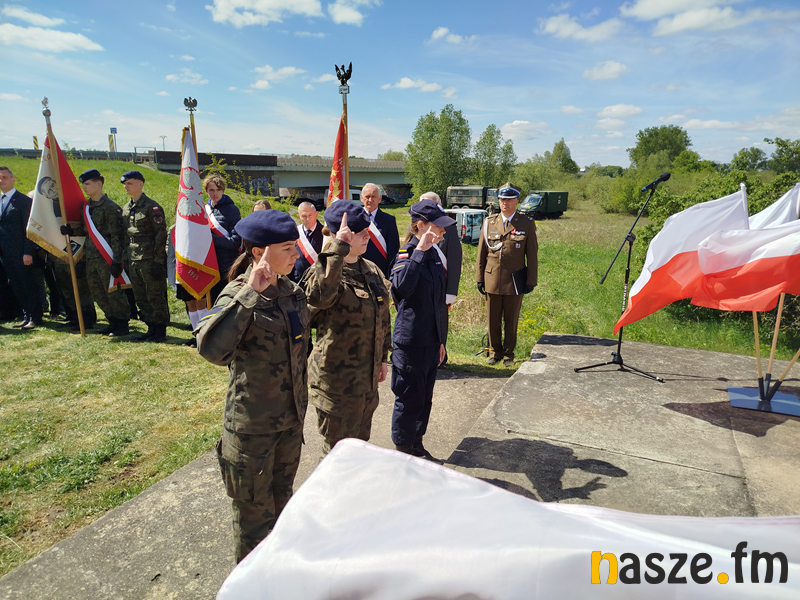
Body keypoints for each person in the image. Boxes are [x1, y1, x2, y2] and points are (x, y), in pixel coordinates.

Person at [196, 209, 309, 564]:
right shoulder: (235, 294)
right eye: (288, 248)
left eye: (295, 247)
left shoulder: (291, 292)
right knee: (254, 522)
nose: (296, 254)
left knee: (283, 507)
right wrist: (249, 294)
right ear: (259, 252)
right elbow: (212, 351)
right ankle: (253, 582)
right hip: (253, 431)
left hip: (290, 424)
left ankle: (279, 572)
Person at [301, 202, 391, 457]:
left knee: (359, 451)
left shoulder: (370, 270)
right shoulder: (324, 272)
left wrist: (382, 358)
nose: (367, 236)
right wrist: (337, 250)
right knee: (336, 455)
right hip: (336, 386)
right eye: (360, 232)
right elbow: (318, 298)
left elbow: (383, 318)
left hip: (366, 383)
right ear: (341, 235)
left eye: (367, 231)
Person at [390, 199, 455, 459]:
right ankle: (403, 449)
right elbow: (401, 288)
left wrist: (440, 341)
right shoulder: (407, 254)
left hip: (430, 340)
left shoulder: (435, 256)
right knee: (409, 398)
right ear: (420, 226)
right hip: (411, 342)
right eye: (438, 226)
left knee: (425, 398)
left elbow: (437, 304)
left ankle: (417, 445)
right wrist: (419, 252)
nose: (443, 231)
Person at [476, 182, 538, 367]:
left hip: (514, 280)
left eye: (509, 199)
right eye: (502, 199)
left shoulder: (526, 223)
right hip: (492, 278)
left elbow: (532, 255)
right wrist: (479, 278)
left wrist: (531, 280)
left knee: (511, 320)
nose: (505, 203)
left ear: (517, 201)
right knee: (492, 319)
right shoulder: (489, 222)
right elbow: (481, 253)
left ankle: (508, 354)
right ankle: (495, 352)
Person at [61, 169, 129, 336]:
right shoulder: (86, 207)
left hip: (107, 257)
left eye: (87, 184)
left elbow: (117, 236)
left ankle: (122, 323)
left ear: (98, 184)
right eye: (83, 184)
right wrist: (71, 231)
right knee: (98, 292)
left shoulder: (111, 208)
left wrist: (117, 261)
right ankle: (112, 321)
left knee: (113, 292)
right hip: (91, 257)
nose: (84, 187)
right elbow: (87, 232)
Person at [121, 170, 169, 342]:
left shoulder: (152, 207)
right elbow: (126, 235)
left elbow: (160, 235)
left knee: (155, 295)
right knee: (140, 295)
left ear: (140, 184)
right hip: (133, 258)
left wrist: (158, 260)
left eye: (129, 183)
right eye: (125, 184)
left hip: (149, 259)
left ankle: (160, 329)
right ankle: (151, 327)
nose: (126, 187)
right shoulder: (126, 208)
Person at [420, 191, 462, 364]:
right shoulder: (416, 227)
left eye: (432, 204)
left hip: (441, 286)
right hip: (422, 286)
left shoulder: (449, 228)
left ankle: (440, 358)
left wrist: (451, 292)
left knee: (440, 322)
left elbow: (454, 260)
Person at [0, 166, 42, 329]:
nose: (1, 180)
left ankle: (35, 317)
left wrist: (28, 252)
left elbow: (29, 230)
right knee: (16, 285)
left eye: (4, 177)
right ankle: (26, 315)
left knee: (28, 285)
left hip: (21, 253)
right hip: (5, 253)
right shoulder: (0, 200)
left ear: (13, 179)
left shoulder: (24, 201)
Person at [203, 174, 242, 305]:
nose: (215, 193)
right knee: (211, 303)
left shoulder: (232, 210)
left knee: (226, 302)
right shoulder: (204, 210)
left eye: (218, 190)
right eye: (211, 190)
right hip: (209, 263)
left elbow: (235, 241)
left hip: (227, 264)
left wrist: (211, 239)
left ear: (223, 190)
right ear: (206, 191)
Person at [360, 182, 399, 278]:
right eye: (367, 196)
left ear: (380, 199)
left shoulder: (389, 220)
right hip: (359, 270)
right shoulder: (355, 218)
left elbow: (393, 250)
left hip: (381, 272)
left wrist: (392, 275)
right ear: (361, 198)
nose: (370, 200)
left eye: (373, 197)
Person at [290, 201, 324, 284]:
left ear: (316, 214)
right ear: (298, 217)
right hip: (298, 281)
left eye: (310, 215)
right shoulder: (294, 233)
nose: (308, 219)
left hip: (318, 281)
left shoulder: (325, 234)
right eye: (304, 216)